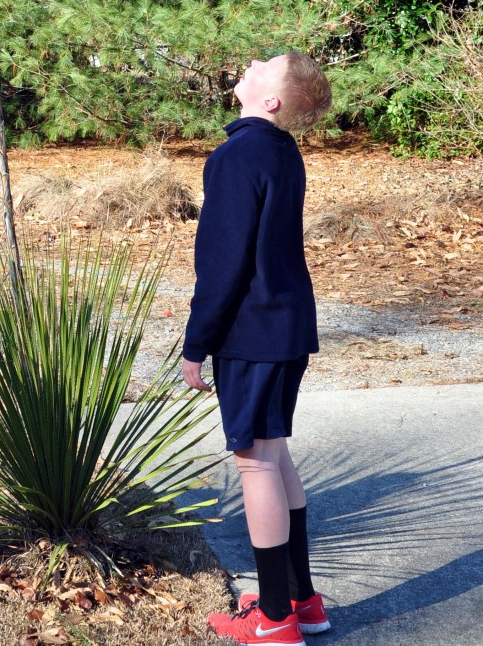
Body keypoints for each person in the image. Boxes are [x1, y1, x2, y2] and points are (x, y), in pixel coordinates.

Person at [182, 52, 333, 645]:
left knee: (255, 464)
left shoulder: (237, 154)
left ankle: (273, 620)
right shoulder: (279, 150)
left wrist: (198, 344)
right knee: (275, 455)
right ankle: (303, 601)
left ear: (270, 100)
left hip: (253, 330)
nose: (249, 62)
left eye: (264, 64)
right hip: (287, 324)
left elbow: (222, 263)